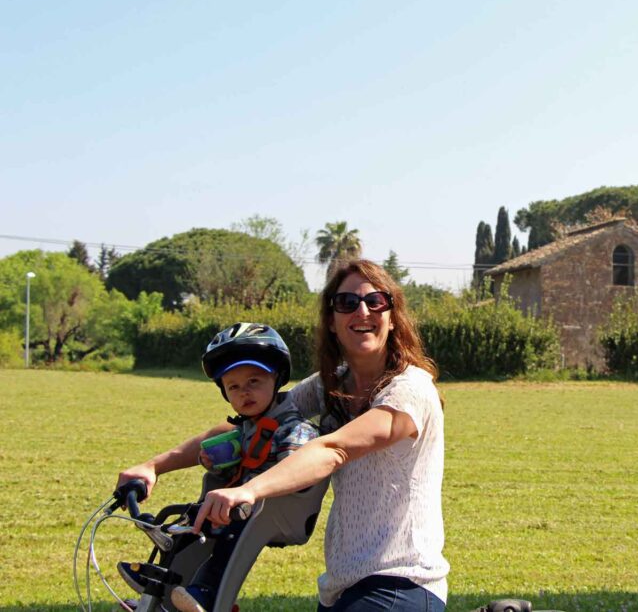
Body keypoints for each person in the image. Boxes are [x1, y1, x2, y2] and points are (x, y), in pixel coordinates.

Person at [118, 260, 448, 611]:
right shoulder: (331, 386)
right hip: (342, 584)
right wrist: (154, 466)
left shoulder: (410, 390)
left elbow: (333, 449)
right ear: (332, 322)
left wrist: (248, 490)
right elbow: (251, 423)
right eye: (346, 303)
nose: (362, 311)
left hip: (402, 582)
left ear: (392, 315)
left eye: (375, 301)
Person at [117, 322, 318, 612]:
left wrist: (249, 488)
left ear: (277, 377)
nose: (244, 393)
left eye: (254, 381)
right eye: (233, 386)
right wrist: (217, 464)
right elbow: (231, 458)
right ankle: (161, 588)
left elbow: (297, 472)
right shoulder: (247, 427)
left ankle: (207, 591)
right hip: (239, 507)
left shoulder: (294, 429)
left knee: (230, 523)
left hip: (273, 513)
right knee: (188, 521)